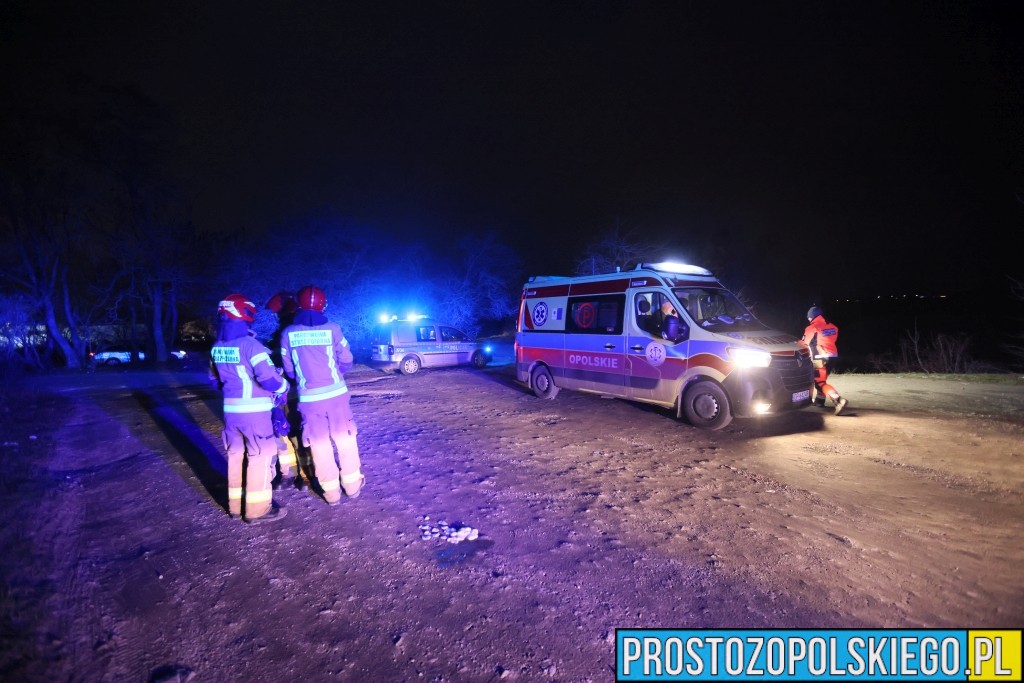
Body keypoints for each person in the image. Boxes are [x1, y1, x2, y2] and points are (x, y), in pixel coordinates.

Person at [280, 285, 365, 505]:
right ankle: (352, 486)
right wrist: (336, 373)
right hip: (336, 397)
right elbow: (347, 359)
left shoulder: (288, 333)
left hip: (309, 400)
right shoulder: (333, 328)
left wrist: (304, 379)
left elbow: (289, 369)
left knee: (319, 445)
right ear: (322, 305)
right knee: (345, 440)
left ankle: (331, 493)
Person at [209, 293, 290, 523]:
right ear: (244, 314)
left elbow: (214, 381)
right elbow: (269, 379)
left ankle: (235, 507)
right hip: (254, 414)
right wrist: (284, 386)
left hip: (230, 413)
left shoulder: (217, 347)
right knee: (260, 456)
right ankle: (257, 510)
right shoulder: (251, 346)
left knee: (236, 457)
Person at [264, 291, 306, 491]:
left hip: (289, 392)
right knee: (296, 432)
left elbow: (281, 363)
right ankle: (302, 475)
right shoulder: (302, 331)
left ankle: (291, 474)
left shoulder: (286, 333)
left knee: (288, 432)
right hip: (297, 391)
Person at [802, 305, 848, 415]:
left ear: (812, 317)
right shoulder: (832, 327)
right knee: (822, 380)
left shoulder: (811, 328)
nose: (808, 319)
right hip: (833, 357)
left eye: (809, 317)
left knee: (819, 382)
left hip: (820, 358)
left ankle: (838, 400)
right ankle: (820, 401)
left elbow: (804, 343)